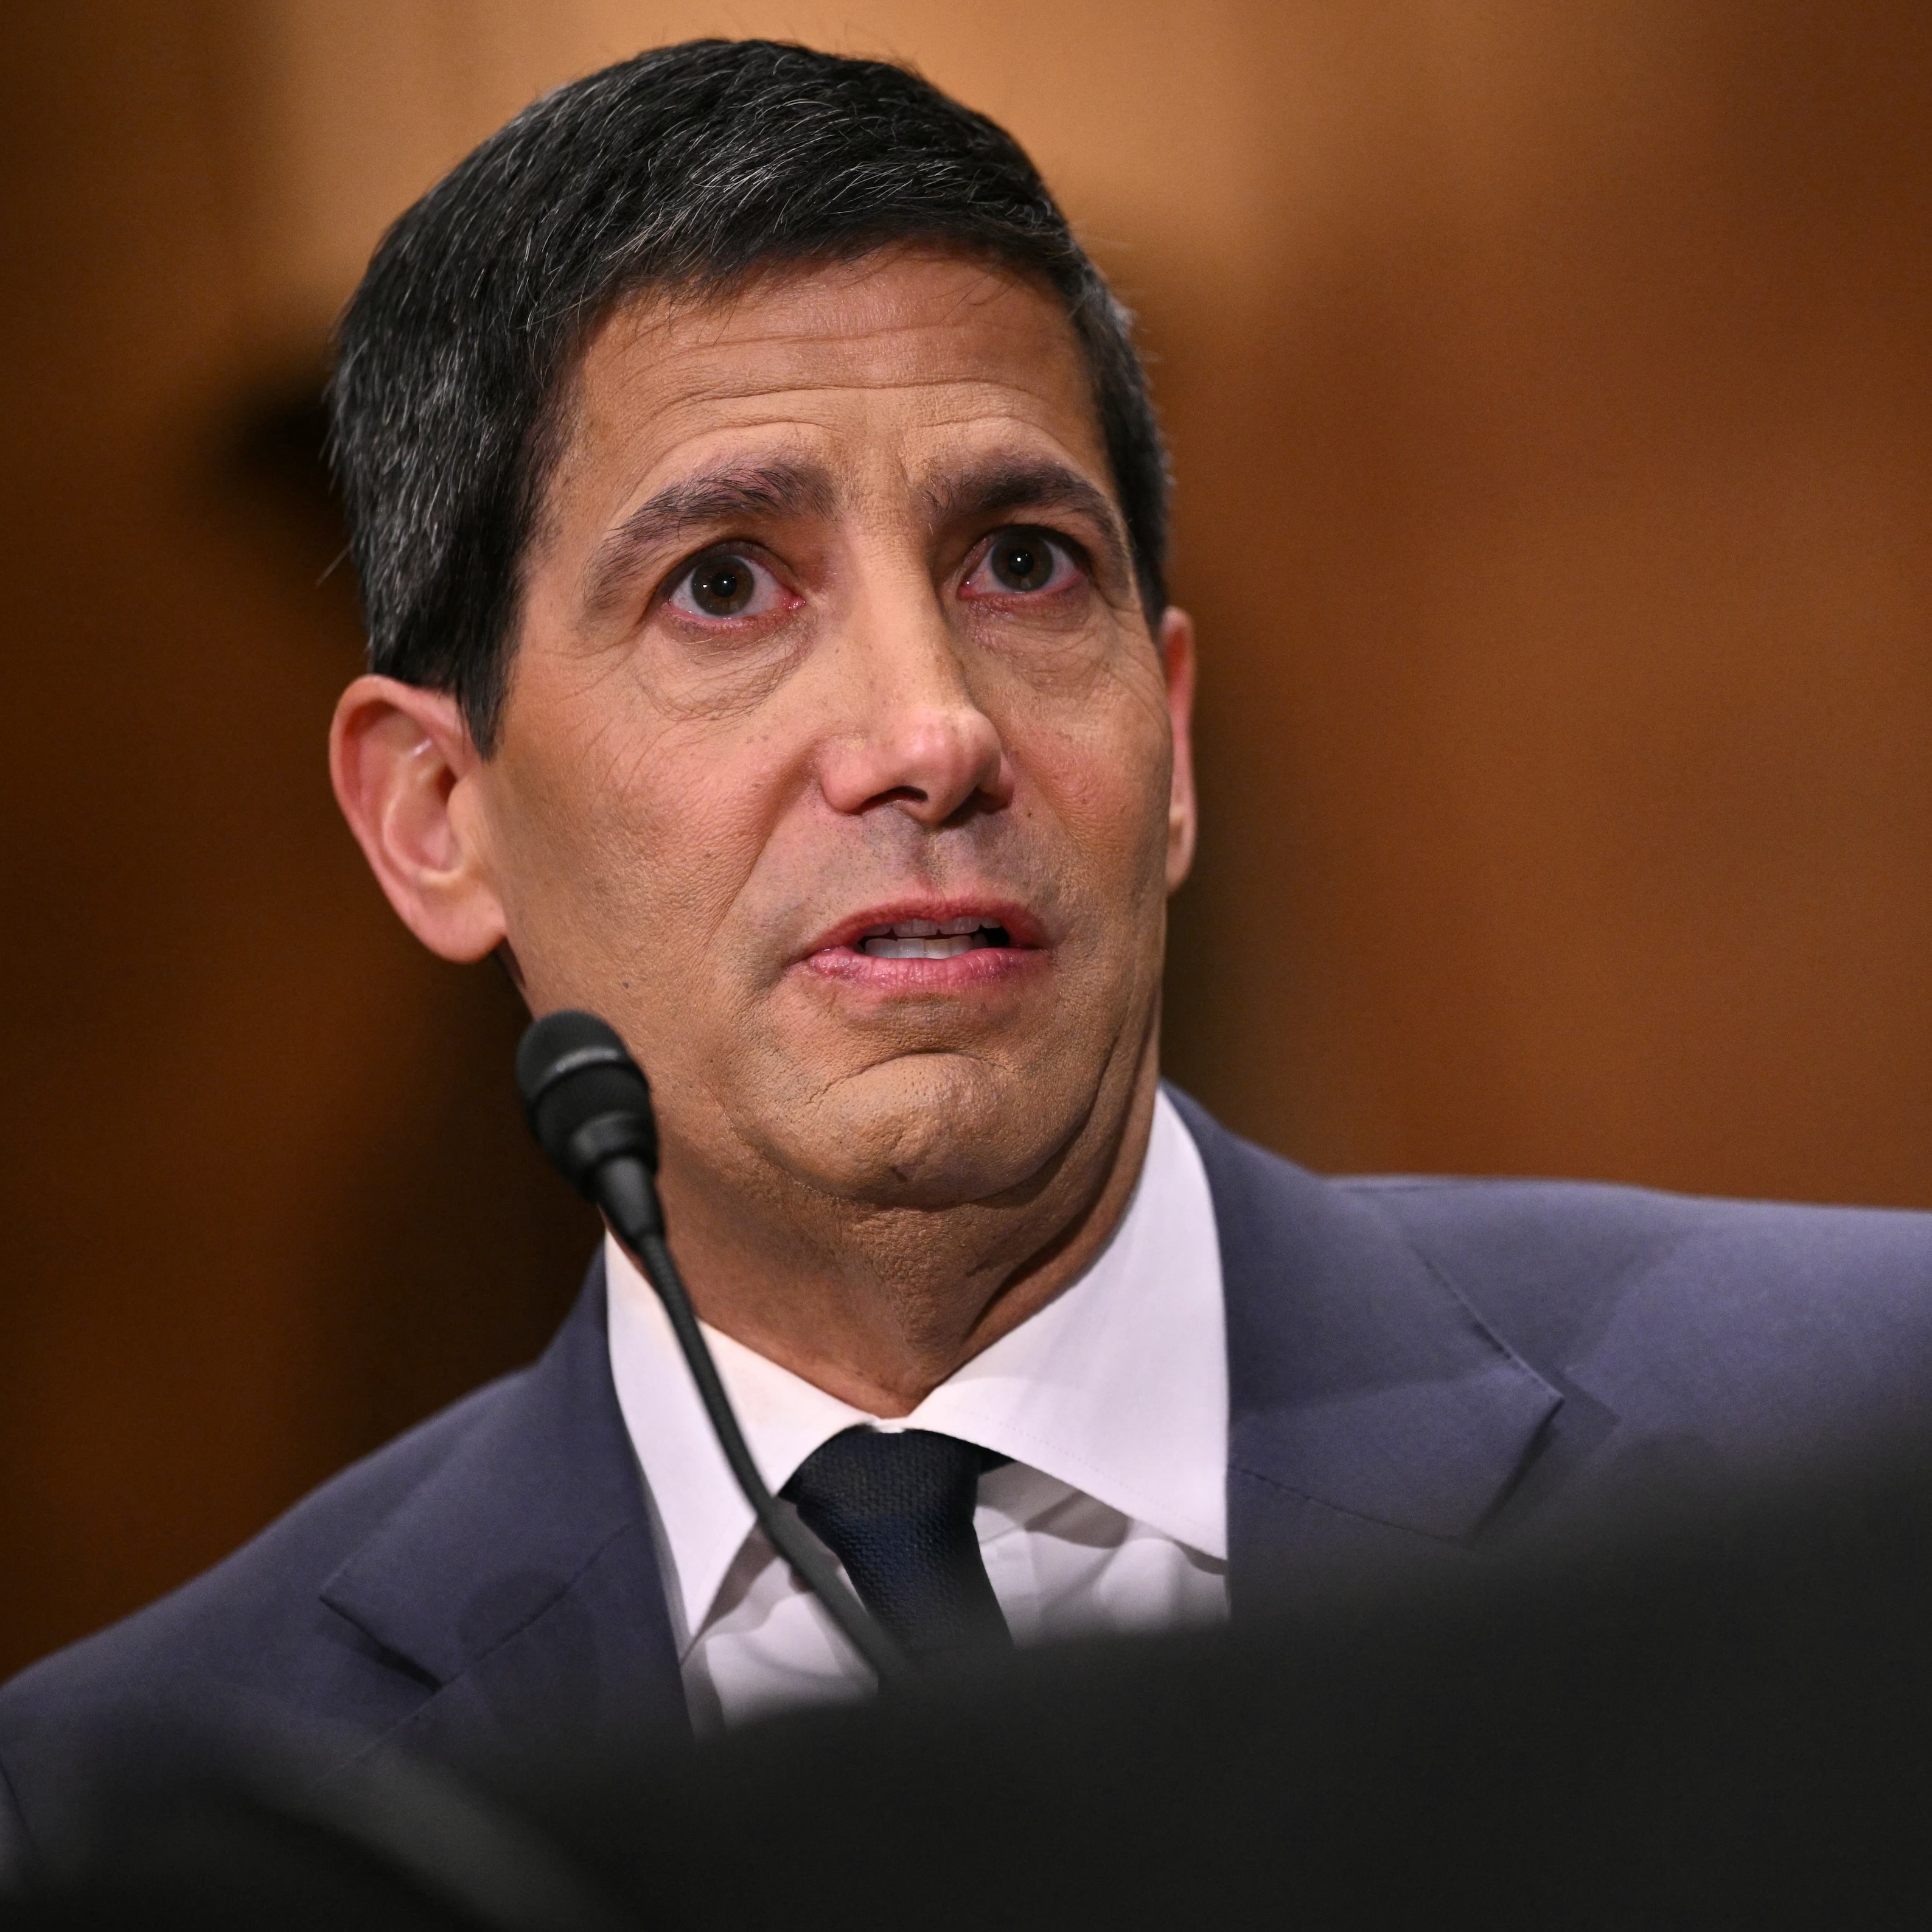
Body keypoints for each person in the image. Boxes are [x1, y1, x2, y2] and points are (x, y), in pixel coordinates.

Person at [4, 35, 1931, 1867]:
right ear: (438, 814)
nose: (933, 733)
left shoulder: (1862, 1423)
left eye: (1023, 562)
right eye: (725, 586)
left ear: (1171, 750)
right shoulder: (131, 1807)